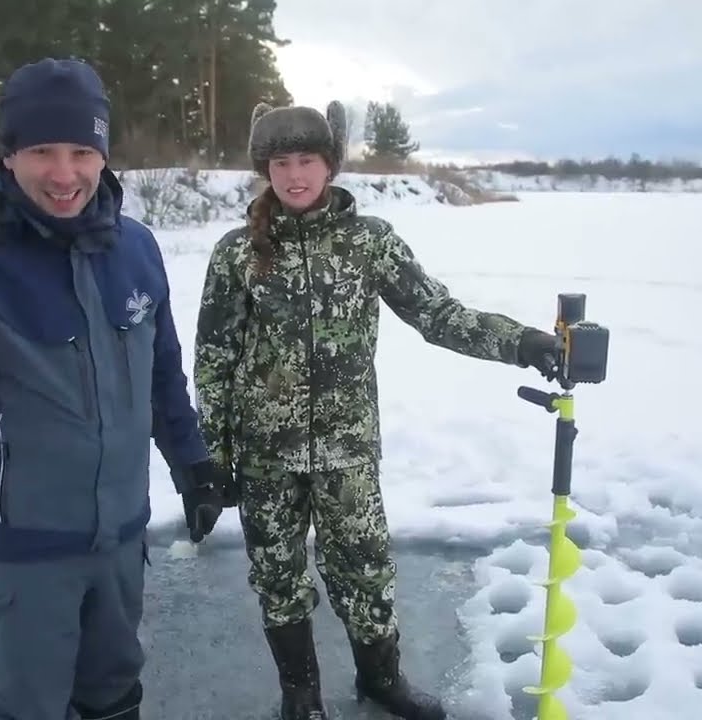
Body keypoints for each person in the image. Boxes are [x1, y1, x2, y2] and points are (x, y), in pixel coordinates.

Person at [0, 57, 231, 720]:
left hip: (120, 542)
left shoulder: (137, 250)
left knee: (115, 695)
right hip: (24, 558)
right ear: (6, 155)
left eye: (82, 151)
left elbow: (162, 375)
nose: (65, 174)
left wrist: (193, 462)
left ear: (104, 154)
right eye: (41, 151)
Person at [192, 100, 562, 720]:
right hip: (265, 458)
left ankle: (380, 681)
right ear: (266, 170)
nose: (294, 175)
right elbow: (214, 362)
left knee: (365, 572)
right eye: (280, 163)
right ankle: (301, 697)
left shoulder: (370, 243)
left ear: (330, 164)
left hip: (348, 454)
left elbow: (437, 314)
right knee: (278, 580)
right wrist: (215, 459)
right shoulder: (236, 253)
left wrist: (520, 342)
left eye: (306, 159)